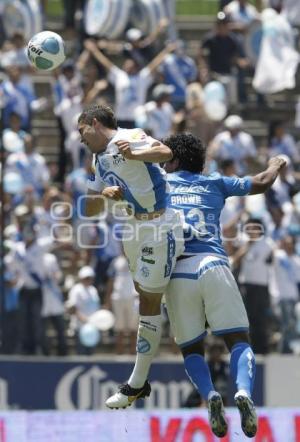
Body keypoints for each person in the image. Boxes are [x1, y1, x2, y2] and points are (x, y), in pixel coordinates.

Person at [161, 133, 285, 437]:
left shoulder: (159, 183)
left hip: (178, 273)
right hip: (212, 263)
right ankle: (242, 392)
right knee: (239, 341)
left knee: (190, 347)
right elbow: (263, 181)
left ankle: (211, 395)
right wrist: (276, 162)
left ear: (174, 160)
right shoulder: (215, 182)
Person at [78, 104, 183, 407]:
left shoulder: (131, 135)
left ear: (94, 123)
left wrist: (136, 153)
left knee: (148, 300)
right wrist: (103, 195)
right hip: (133, 230)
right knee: (144, 296)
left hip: (159, 224)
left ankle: (137, 382)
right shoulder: (97, 160)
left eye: (81, 130)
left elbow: (164, 153)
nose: (80, 138)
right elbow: (87, 209)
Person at [83, 40, 175, 128]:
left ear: (135, 67)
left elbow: (154, 64)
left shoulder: (142, 77)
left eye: (131, 66)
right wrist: (94, 50)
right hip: (120, 117)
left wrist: (166, 51)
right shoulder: (119, 75)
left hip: (137, 117)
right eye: (126, 65)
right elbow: (106, 63)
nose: (128, 67)